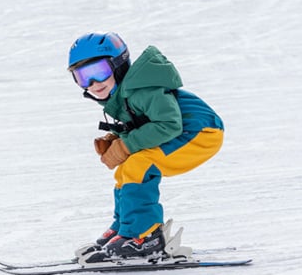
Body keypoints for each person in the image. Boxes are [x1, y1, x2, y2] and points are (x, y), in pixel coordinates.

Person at [67, 32, 224, 263]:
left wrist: (127, 144)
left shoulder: (143, 90)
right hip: (185, 132)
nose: (93, 84)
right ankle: (124, 229)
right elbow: (146, 121)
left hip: (202, 133)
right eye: (83, 77)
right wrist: (118, 138)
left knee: (140, 165)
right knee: (126, 170)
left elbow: (169, 124)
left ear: (118, 66)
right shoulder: (124, 94)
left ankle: (144, 237)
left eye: (99, 72)